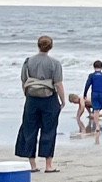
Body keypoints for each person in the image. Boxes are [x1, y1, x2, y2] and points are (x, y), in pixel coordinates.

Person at [16, 35, 65, 172]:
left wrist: (27, 95)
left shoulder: (28, 61)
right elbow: (58, 84)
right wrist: (63, 100)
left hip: (32, 98)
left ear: (38, 45)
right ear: (51, 47)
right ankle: (48, 165)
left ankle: (33, 165)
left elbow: (23, 81)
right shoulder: (55, 63)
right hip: (49, 98)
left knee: (29, 129)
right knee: (49, 130)